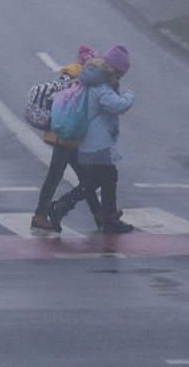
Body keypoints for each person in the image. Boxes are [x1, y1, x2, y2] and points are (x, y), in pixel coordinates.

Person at [47, 44, 135, 234]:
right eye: (122, 72)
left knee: (108, 178)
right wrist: (129, 95)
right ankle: (61, 206)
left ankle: (109, 217)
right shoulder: (101, 86)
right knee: (95, 181)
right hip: (98, 144)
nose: (122, 77)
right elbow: (118, 106)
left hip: (94, 142)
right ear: (116, 70)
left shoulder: (95, 82)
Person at [30, 46, 105, 232]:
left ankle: (99, 214)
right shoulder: (78, 80)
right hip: (65, 135)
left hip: (64, 134)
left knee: (83, 175)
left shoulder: (72, 75)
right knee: (56, 174)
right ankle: (40, 215)